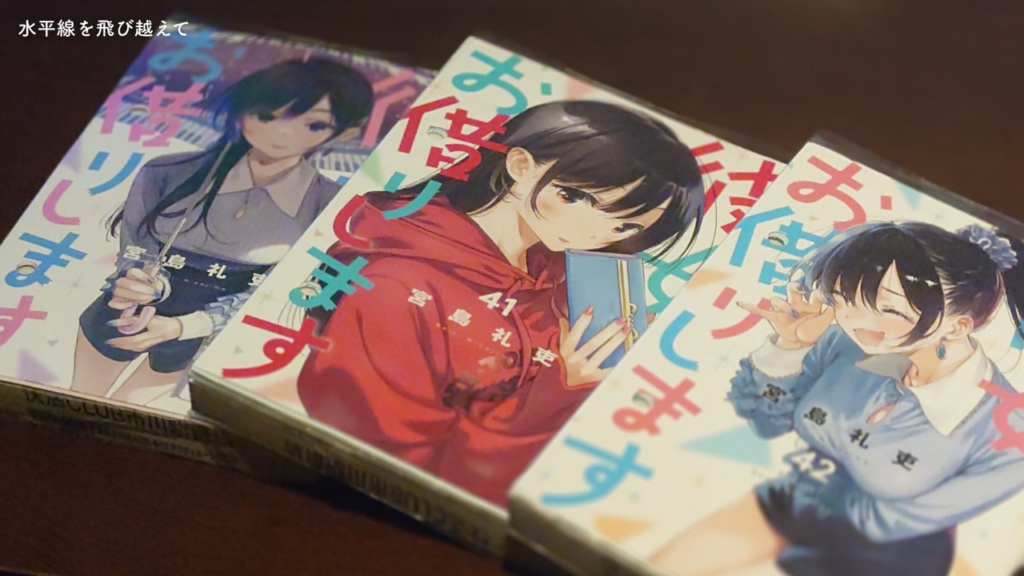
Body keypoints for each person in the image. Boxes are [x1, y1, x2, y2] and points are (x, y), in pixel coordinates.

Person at [297, 100, 706, 505]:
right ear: (521, 166)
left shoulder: (561, 276)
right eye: (576, 197)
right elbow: (404, 466)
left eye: (625, 225)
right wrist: (556, 390)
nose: (595, 231)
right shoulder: (394, 286)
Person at [650, 221, 1024, 576]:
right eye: (846, 299)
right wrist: (790, 348)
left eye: (889, 309)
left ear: (958, 326)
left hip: (888, 555)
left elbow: (898, 521)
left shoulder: (1008, 431)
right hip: (794, 499)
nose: (856, 322)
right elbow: (767, 422)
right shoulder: (845, 343)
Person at [71, 58, 374, 404]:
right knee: (77, 399)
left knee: (131, 411)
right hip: (124, 313)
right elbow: (137, 245)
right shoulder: (169, 170)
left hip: (204, 331)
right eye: (267, 116)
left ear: (344, 133)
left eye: (314, 124)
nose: (284, 133)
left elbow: (284, 288)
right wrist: (136, 281)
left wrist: (186, 327)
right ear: (241, 112)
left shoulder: (331, 206)